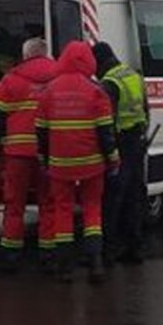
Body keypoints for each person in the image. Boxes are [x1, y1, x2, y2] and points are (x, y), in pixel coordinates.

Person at [36, 40, 120, 283]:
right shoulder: (96, 90)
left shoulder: (48, 91)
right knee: (92, 210)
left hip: (60, 163)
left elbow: (41, 131)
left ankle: (64, 268)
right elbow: (106, 132)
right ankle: (95, 264)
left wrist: (44, 158)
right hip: (92, 163)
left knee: (63, 210)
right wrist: (113, 159)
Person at [0, 36, 57, 273]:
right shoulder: (58, 77)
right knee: (49, 203)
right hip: (49, 152)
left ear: (25, 55)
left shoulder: (11, 79)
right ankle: (47, 255)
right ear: (45, 54)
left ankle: (11, 256)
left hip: (17, 153)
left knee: (14, 205)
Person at [93, 41, 150, 264]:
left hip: (120, 143)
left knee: (113, 198)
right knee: (135, 195)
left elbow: (106, 120)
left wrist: (108, 150)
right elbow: (145, 107)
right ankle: (135, 247)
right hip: (137, 140)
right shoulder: (133, 75)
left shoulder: (109, 83)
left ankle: (109, 250)